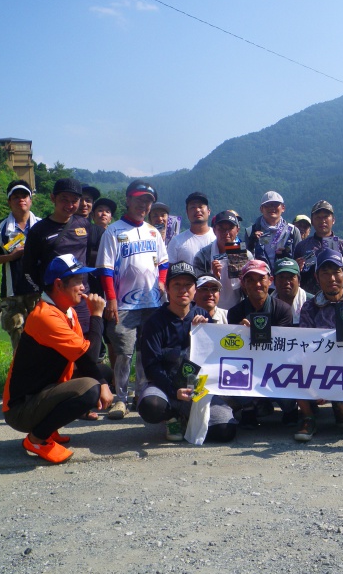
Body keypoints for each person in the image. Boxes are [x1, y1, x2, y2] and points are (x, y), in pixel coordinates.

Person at [1, 254, 112, 464]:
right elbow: (90, 355)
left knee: (102, 373)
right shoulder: (46, 317)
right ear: (59, 285)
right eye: (78, 281)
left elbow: (85, 358)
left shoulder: (67, 311)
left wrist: (104, 381)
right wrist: (97, 315)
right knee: (91, 388)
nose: (84, 287)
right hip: (20, 409)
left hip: (42, 393)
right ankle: (36, 440)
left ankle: (49, 429)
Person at [137, 262, 237, 443]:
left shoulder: (204, 317)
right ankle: (171, 418)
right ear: (167, 288)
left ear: (194, 289)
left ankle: (189, 416)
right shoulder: (154, 322)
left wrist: (206, 331)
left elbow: (217, 356)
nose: (183, 290)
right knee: (151, 406)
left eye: (188, 285)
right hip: (165, 386)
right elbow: (151, 366)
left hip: (198, 388)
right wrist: (173, 391)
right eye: (177, 284)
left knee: (225, 430)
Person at [96, 179, 169, 420]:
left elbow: (164, 262)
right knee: (124, 353)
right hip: (124, 304)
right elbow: (105, 269)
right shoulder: (113, 231)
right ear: (128, 200)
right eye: (138, 199)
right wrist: (111, 298)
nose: (143, 205)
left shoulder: (152, 231)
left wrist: (161, 280)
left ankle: (140, 394)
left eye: (147, 201)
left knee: (144, 352)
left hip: (151, 303)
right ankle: (120, 398)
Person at [295, 249, 343, 441]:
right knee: (293, 368)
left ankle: (339, 406)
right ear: (316, 277)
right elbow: (305, 348)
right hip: (318, 370)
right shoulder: (309, 307)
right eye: (325, 273)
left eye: (336, 272)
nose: (331, 278)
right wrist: (319, 384)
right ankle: (308, 417)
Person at [227, 259, 297, 428]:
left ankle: (290, 409)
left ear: (270, 280)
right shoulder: (235, 312)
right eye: (250, 280)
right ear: (243, 283)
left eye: (261, 279)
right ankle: (250, 408)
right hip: (248, 366)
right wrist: (240, 333)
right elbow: (234, 351)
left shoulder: (283, 309)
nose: (256, 284)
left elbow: (283, 348)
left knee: (288, 394)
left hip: (277, 367)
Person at [23, 177, 97, 332]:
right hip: (55, 302)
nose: (70, 205)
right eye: (64, 199)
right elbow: (28, 268)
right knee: (57, 347)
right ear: (53, 198)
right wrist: (46, 291)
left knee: (85, 345)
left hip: (82, 298)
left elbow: (88, 257)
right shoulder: (39, 230)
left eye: (74, 200)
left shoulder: (84, 225)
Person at [0, 180, 41, 351]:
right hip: (12, 294)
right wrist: (11, 256)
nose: (20, 200)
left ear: (31, 199)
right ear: (9, 201)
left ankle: (44, 378)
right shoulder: (1, 227)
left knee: (41, 340)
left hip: (38, 292)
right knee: (19, 344)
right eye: (15, 197)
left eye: (24, 196)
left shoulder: (41, 225)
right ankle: (20, 378)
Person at [193, 210, 252, 311]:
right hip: (210, 311)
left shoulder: (246, 255)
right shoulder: (203, 256)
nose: (226, 233)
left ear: (237, 230)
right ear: (214, 230)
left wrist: (244, 278)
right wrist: (213, 276)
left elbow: (251, 290)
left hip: (238, 310)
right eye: (221, 229)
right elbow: (196, 288)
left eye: (230, 228)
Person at [294, 200, 343, 294]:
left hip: (338, 297)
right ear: (312, 222)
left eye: (326, 217)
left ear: (333, 220)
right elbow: (295, 276)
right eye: (318, 217)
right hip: (309, 298)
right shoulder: (302, 246)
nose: (322, 221)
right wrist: (297, 268)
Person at [246, 191, 301, 270]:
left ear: (283, 208)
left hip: (284, 278)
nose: (272, 208)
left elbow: (299, 259)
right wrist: (252, 243)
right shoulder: (250, 231)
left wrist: (288, 255)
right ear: (261, 209)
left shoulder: (292, 231)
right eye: (267, 205)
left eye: (275, 204)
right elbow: (244, 260)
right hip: (260, 279)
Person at [167, 192, 216, 264]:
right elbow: (170, 271)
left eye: (201, 206)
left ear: (208, 211)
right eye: (193, 207)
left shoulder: (218, 237)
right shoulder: (176, 241)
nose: (197, 210)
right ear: (187, 212)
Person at [271, 257, 313, 325]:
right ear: (274, 281)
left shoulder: (313, 303)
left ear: (299, 281)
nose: (286, 282)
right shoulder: (266, 306)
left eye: (291, 277)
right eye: (281, 277)